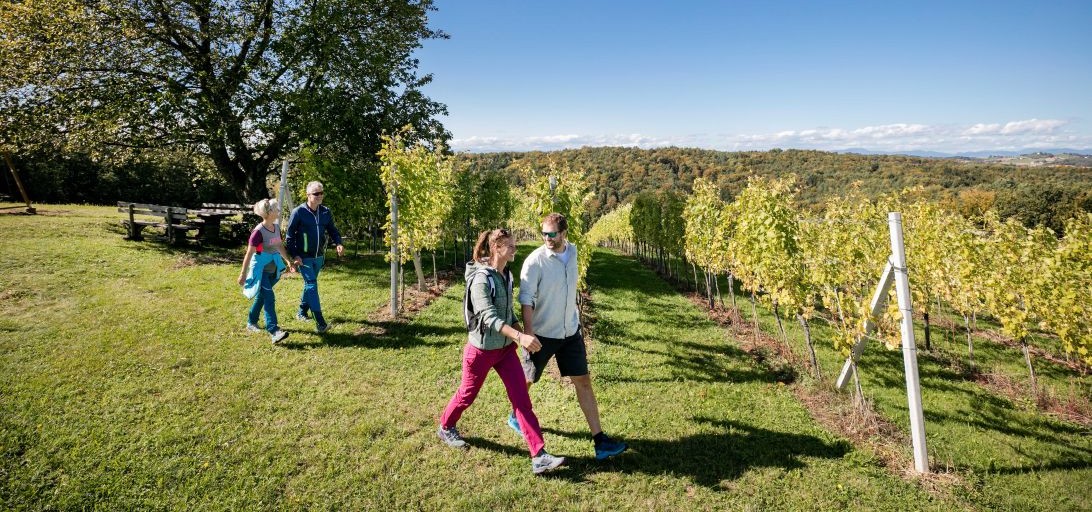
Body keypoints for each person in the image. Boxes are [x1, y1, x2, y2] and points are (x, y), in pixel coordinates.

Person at [437, 228, 565, 475]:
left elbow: (507, 315)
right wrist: (520, 336)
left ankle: (539, 455)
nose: (515, 249)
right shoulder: (481, 279)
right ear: (496, 248)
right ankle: (445, 426)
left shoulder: (505, 275)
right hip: (482, 351)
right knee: (467, 395)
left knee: (521, 401)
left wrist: (524, 335)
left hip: (505, 351)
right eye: (510, 246)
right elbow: (489, 318)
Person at [515, 213, 628, 460]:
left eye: (552, 233)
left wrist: (575, 321)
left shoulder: (574, 252)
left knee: (583, 381)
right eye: (543, 233)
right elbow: (526, 300)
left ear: (564, 233)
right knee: (527, 378)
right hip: (542, 334)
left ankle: (600, 442)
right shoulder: (535, 262)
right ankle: (516, 414)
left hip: (570, 332)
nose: (547, 237)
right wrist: (528, 333)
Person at [284, 181, 344, 333]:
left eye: (321, 193)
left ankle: (302, 312)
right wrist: (295, 255)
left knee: (310, 284)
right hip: (304, 257)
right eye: (316, 194)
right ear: (308, 195)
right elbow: (289, 237)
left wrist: (338, 243)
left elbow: (332, 230)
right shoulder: (298, 212)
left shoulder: (325, 212)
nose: (320, 196)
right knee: (311, 285)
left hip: (319, 257)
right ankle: (321, 323)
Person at [238, 199, 296, 344]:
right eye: (277, 209)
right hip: (261, 270)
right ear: (269, 213)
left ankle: (251, 322)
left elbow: (279, 245)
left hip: (273, 269)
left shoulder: (276, 227)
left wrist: (287, 260)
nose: (279, 211)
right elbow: (249, 254)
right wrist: (243, 274)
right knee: (269, 297)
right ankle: (274, 331)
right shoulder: (258, 232)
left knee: (262, 297)